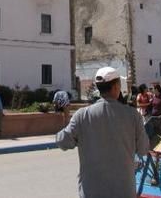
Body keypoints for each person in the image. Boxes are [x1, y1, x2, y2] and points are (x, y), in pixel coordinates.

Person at [55, 67, 149, 198]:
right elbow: (143, 149)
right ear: (116, 87)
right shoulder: (133, 115)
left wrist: (66, 116)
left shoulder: (82, 116)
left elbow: (62, 142)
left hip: (92, 191)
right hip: (124, 191)